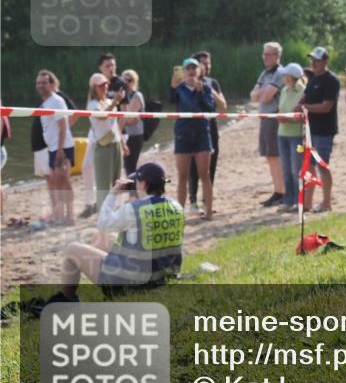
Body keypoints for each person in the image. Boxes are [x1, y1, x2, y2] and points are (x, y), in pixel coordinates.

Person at [56, 162, 183, 301]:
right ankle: (106, 266)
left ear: (144, 185)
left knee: (71, 250)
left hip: (134, 284)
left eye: (137, 182)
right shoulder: (176, 206)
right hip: (164, 275)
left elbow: (103, 223)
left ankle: (67, 299)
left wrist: (113, 194)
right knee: (102, 238)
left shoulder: (134, 209)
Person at [169, 58, 215, 219]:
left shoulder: (205, 87)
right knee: (182, 175)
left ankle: (209, 211)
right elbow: (170, 101)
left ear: (199, 71)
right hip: (183, 133)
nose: (191, 71)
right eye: (188, 68)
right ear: (184, 71)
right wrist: (173, 87)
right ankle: (180, 213)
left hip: (201, 132)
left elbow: (210, 109)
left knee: (204, 173)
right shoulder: (179, 88)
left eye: (194, 68)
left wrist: (201, 92)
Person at [297, 47, 339, 212]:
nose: (313, 63)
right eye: (312, 60)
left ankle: (327, 202)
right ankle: (308, 203)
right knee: (309, 166)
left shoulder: (332, 81)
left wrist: (304, 107)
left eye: (317, 60)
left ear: (325, 62)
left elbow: (326, 107)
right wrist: (298, 105)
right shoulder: (313, 79)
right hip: (310, 129)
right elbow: (305, 96)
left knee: (323, 165)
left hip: (324, 130)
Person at [86, 73, 128, 226]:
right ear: (93, 88)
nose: (104, 87)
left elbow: (115, 125)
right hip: (103, 146)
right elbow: (102, 117)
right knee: (104, 184)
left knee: (117, 181)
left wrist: (123, 143)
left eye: (105, 84)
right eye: (100, 85)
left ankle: (113, 214)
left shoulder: (110, 101)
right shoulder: (92, 104)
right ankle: (103, 219)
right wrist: (116, 101)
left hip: (115, 143)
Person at [36, 70, 76, 225]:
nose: (41, 85)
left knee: (64, 180)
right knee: (56, 181)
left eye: (44, 82)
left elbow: (63, 127)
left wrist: (60, 149)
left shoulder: (56, 100)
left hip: (63, 147)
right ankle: (60, 215)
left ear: (51, 84)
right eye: (38, 83)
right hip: (52, 147)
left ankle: (70, 215)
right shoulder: (45, 103)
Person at [189, 51, 227, 210]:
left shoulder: (212, 83)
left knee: (211, 165)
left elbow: (223, 106)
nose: (207, 65)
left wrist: (209, 91)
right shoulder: (188, 83)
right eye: (203, 62)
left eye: (208, 62)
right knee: (193, 167)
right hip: (193, 129)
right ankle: (193, 201)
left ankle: (207, 201)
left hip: (211, 128)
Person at [250, 42, 285, 208]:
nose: (265, 57)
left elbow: (266, 97)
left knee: (275, 156)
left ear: (277, 56)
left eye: (269, 54)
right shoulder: (264, 73)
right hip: (265, 118)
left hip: (273, 117)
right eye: (264, 54)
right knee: (269, 157)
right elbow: (253, 96)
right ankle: (278, 191)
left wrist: (261, 93)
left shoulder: (280, 73)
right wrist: (261, 93)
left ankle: (282, 191)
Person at [275, 63, 306, 213]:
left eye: (285, 75)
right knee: (286, 170)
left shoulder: (303, 92)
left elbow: (304, 116)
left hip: (296, 135)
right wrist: (280, 116)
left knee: (296, 170)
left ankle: (297, 200)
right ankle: (288, 200)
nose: (283, 77)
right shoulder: (284, 90)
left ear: (291, 77)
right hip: (282, 134)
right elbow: (282, 109)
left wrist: (289, 119)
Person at [120, 69, 145, 177]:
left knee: (130, 165)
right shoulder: (121, 96)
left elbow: (129, 119)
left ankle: (134, 191)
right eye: (123, 80)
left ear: (134, 82)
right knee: (126, 165)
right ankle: (132, 190)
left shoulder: (136, 96)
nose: (126, 83)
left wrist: (120, 120)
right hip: (123, 134)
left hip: (135, 135)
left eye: (129, 80)